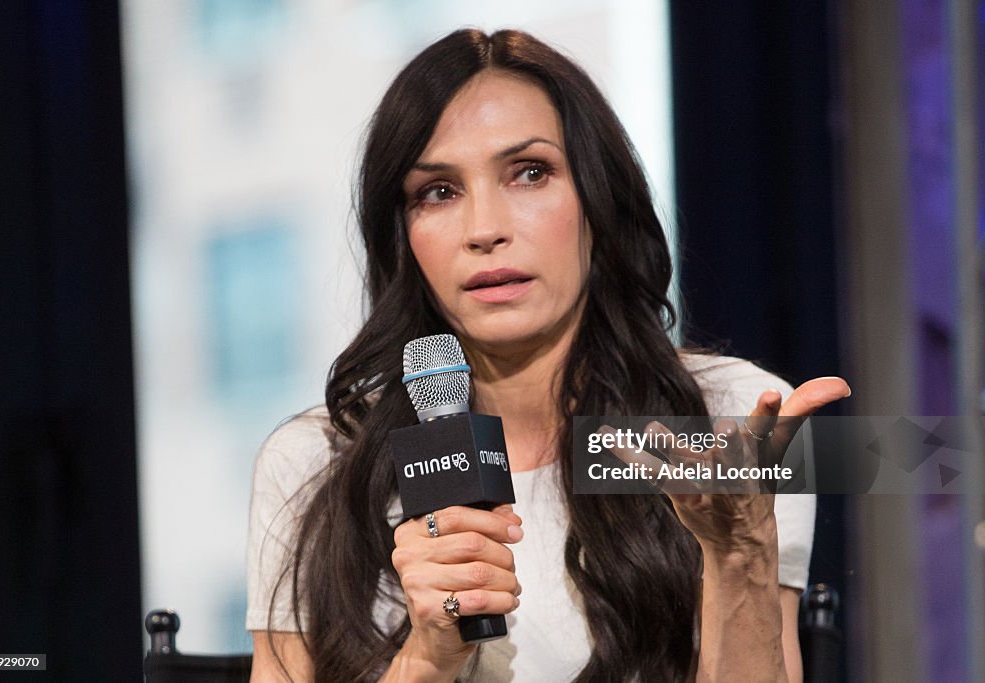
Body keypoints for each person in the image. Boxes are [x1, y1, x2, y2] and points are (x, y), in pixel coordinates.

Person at [246, 28, 850, 682]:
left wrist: (740, 556)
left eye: (529, 173)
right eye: (438, 192)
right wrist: (427, 658)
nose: (485, 230)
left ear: (597, 197)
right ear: (403, 237)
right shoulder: (316, 462)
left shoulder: (727, 418)